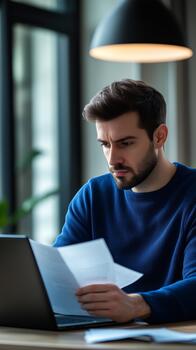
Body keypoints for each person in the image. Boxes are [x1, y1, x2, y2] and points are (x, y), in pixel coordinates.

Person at [54, 79, 196, 324]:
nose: (113, 159)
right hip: (97, 339)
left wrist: (136, 305)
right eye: (105, 145)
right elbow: (57, 274)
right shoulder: (92, 196)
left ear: (159, 136)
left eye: (126, 143)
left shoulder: (192, 196)